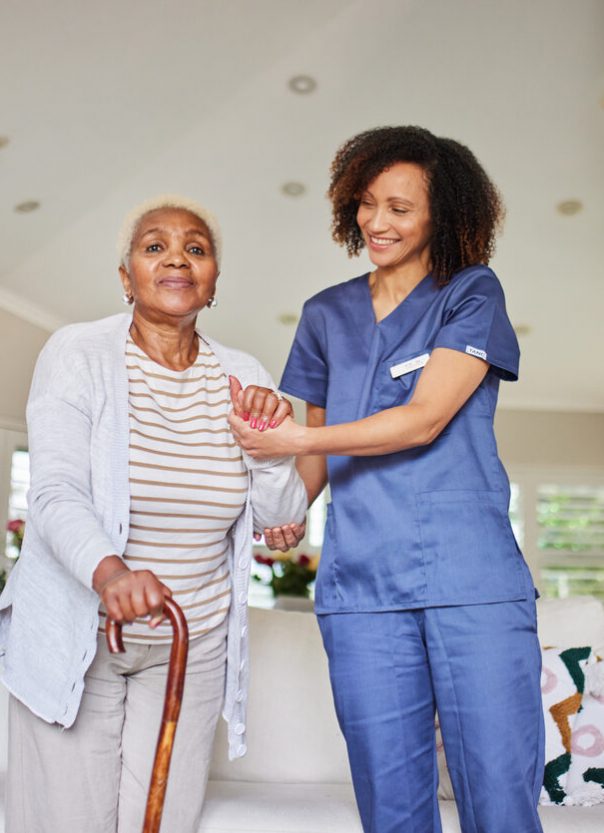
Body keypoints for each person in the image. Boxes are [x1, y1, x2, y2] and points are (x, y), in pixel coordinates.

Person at [228, 126, 545, 833]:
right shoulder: (324, 315)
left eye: (400, 208)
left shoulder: (470, 294)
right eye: (367, 203)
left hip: (474, 585)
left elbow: (423, 419)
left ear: (444, 214)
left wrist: (297, 437)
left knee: (498, 799)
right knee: (392, 810)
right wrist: (288, 508)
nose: (377, 221)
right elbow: (313, 455)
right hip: (362, 590)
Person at [0, 195, 307, 833]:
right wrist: (111, 574)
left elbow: (279, 518)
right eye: (154, 246)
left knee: (159, 822)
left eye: (196, 248)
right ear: (126, 277)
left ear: (213, 279)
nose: (177, 258)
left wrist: (272, 445)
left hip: (187, 644)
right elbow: (56, 491)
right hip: (78, 631)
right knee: (69, 822)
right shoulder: (77, 354)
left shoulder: (243, 374)